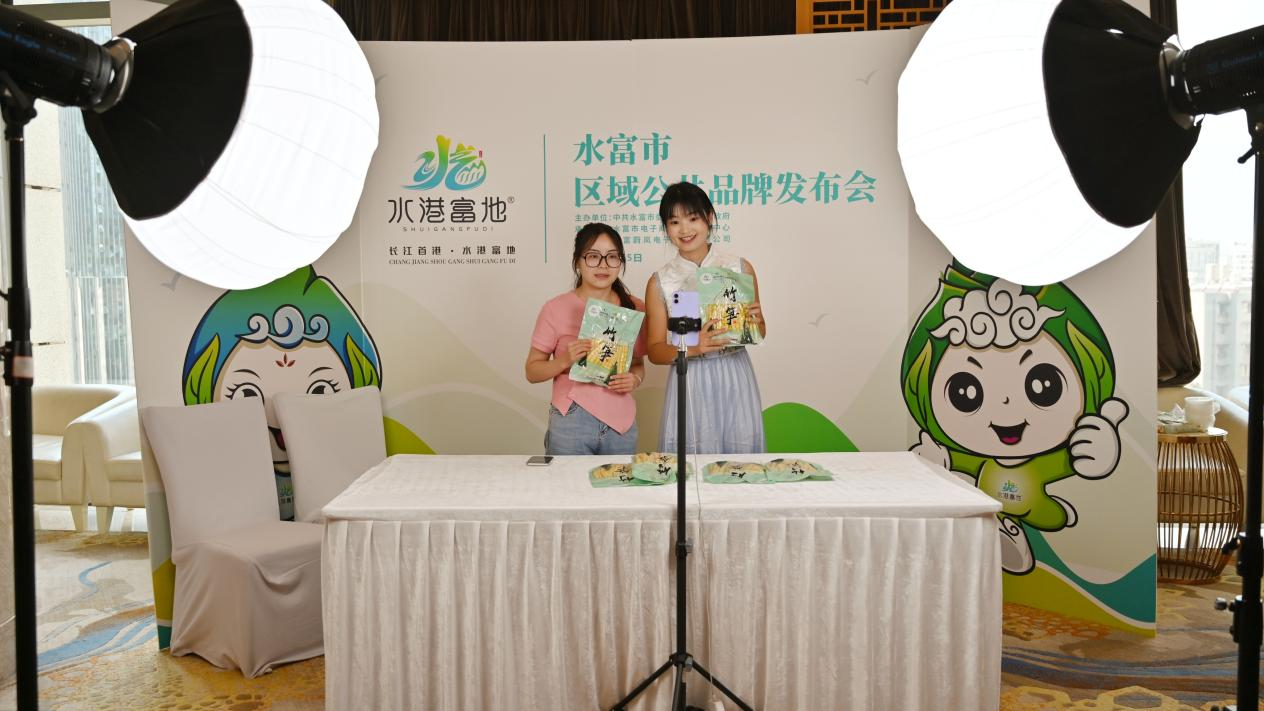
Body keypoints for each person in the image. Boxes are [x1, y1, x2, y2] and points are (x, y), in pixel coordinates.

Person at [644, 181, 766, 454]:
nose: (684, 229)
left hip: (735, 372)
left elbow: (760, 331)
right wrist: (692, 347)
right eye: (674, 222)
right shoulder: (661, 281)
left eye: (692, 218)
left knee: (739, 457)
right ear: (666, 228)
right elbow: (655, 350)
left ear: (709, 217)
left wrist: (756, 323)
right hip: (690, 377)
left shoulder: (739, 268)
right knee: (691, 460)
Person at [527, 223, 646, 455]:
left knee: (620, 481)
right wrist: (564, 360)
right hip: (570, 420)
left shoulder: (634, 307)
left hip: (621, 422)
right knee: (567, 480)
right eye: (593, 256)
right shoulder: (555, 308)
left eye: (612, 257)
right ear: (578, 262)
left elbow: (638, 365)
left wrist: (635, 379)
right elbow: (532, 371)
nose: (603, 265)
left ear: (620, 262)